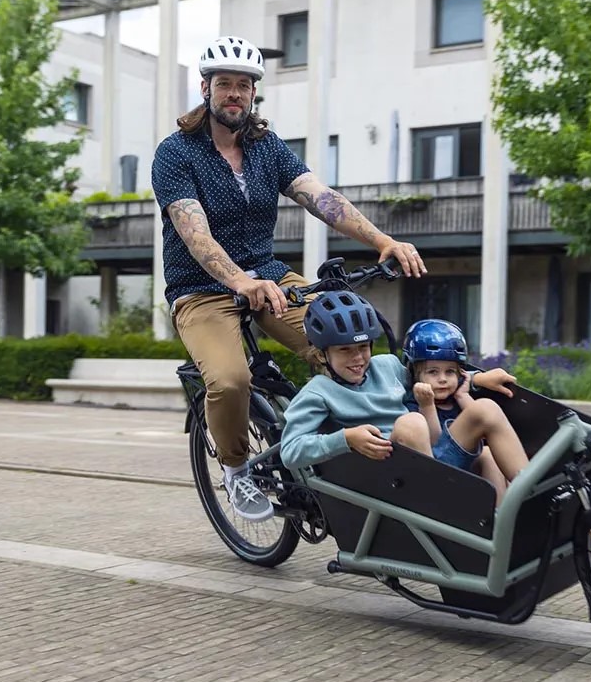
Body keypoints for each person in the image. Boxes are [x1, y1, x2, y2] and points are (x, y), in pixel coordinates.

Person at [152, 35, 427, 522]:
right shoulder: (176, 154)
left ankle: (354, 446)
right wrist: (239, 281)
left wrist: (382, 240)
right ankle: (237, 469)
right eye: (224, 85)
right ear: (205, 89)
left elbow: (321, 198)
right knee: (231, 380)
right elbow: (194, 234)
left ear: (254, 93)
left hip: (272, 279)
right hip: (201, 290)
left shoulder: (266, 147)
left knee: (345, 343)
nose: (234, 93)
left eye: (243, 85)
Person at [280, 293, 527, 498]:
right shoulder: (317, 392)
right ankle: (447, 507)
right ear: (322, 354)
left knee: (485, 409)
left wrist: (476, 379)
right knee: (412, 422)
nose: (357, 358)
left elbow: (429, 379)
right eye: (345, 350)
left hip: (432, 458)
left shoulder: (386, 366)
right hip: (390, 477)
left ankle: (524, 499)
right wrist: (346, 438)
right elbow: (290, 451)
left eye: (363, 347)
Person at [403, 319, 523, 502]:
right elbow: (435, 444)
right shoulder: (416, 402)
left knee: (489, 454)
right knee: (485, 422)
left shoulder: (456, 399)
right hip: (437, 471)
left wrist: (462, 396)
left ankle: (501, 513)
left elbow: (483, 427)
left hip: (465, 468)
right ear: (415, 374)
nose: (442, 379)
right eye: (433, 372)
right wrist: (427, 406)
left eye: (450, 372)